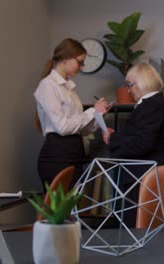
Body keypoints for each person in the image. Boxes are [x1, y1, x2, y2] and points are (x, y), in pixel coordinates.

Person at [102, 62, 164, 226]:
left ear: (142, 82)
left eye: (130, 84)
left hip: (142, 178)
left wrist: (114, 139)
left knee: (136, 228)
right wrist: (116, 136)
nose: (128, 90)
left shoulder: (152, 105)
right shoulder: (152, 104)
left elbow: (142, 143)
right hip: (141, 176)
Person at [34, 38, 110, 187]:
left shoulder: (69, 89)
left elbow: (80, 130)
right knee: (60, 209)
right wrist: (92, 111)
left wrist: (97, 116)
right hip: (57, 157)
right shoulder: (48, 85)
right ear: (65, 59)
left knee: (74, 208)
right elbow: (62, 127)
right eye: (80, 62)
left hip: (74, 155)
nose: (81, 67)